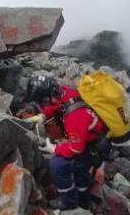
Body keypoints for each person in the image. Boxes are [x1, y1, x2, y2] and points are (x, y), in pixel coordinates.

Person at [24, 75, 107, 210]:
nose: (41, 105)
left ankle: (70, 203)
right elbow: (59, 106)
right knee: (81, 171)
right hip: (91, 138)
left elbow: (76, 149)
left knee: (57, 164)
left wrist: (54, 149)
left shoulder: (75, 117)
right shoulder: (65, 92)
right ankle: (84, 196)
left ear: (47, 98)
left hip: (90, 147)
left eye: (42, 102)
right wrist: (43, 115)